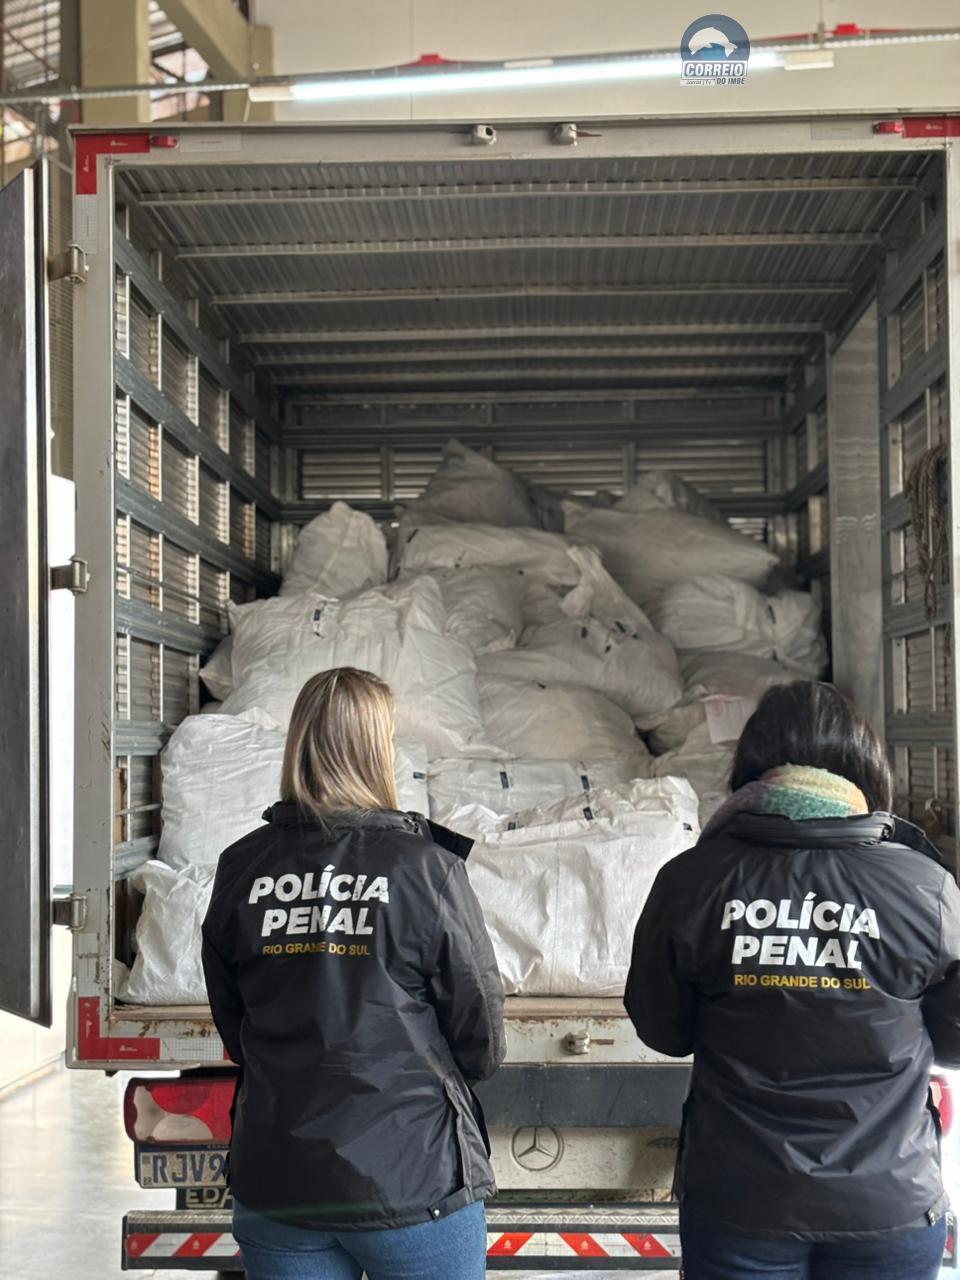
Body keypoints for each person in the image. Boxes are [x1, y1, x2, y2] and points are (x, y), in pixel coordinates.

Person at [625, 680, 960, 1280]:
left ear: (752, 766)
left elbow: (663, 1030)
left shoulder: (693, 879)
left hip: (739, 1201)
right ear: (867, 768)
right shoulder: (923, 887)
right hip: (888, 1203)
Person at [202, 666, 505, 1280]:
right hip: (412, 1182)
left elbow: (234, 1025)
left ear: (298, 744)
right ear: (377, 749)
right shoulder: (426, 869)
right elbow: (480, 1033)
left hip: (282, 1182)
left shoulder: (241, 866)